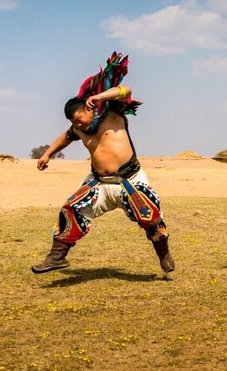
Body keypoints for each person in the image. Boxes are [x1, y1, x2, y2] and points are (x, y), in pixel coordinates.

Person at [32, 53, 174, 278]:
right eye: (73, 122)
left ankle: (163, 254)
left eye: (78, 118)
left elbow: (125, 90)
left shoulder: (113, 113)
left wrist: (99, 97)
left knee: (152, 220)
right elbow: (65, 137)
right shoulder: (79, 129)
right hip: (98, 183)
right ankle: (56, 257)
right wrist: (47, 154)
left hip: (131, 180)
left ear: (89, 108)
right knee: (71, 211)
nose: (76, 124)